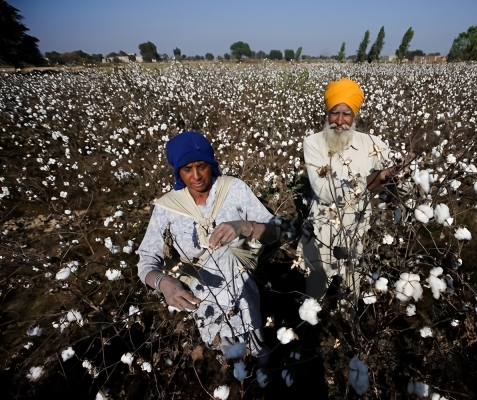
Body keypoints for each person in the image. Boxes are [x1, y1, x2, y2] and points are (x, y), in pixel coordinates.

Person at [137, 131, 278, 362]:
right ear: (178, 172)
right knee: (230, 359)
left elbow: (274, 231)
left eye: (201, 166)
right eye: (187, 169)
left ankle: (255, 357)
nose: (196, 176)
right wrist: (164, 282)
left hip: (244, 287)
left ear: (211, 163)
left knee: (258, 358)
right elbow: (145, 261)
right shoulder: (167, 208)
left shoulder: (234, 189)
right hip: (203, 296)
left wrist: (244, 226)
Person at [298, 77, 396, 303]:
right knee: (315, 292)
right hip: (321, 229)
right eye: (334, 113)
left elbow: (395, 177)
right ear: (327, 113)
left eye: (346, 114)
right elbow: (324, 191)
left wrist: (402, 174)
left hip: (357, 229)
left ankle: (347, 318)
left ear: (354, 116)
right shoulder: (313, 143)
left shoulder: (373, 144)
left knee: (351, 291)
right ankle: (313, 321)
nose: (340, 121)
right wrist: (372, 180)